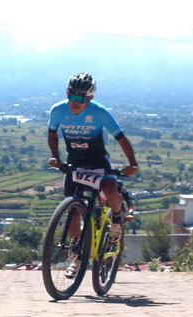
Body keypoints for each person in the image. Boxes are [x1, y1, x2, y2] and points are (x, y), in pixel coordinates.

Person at [47, 72, 138, 278]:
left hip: (98, 163)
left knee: (111, 189)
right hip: (75, 165)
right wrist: (55, 158)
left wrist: (132, 163)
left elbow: (121, 138)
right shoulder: (57, 110)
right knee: (73, 211)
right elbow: (52, 135)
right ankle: (76, 257)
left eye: (81, 99)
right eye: (72, 96)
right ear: (67, 93)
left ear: (90, 99)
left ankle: (116, 222)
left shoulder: (100, 113)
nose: (75, 103)